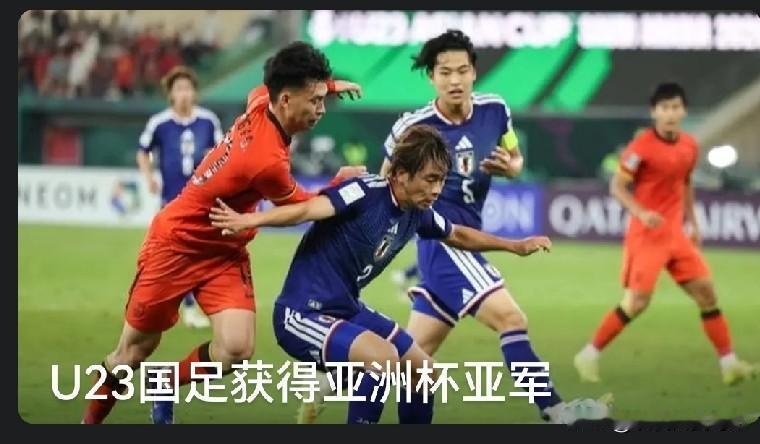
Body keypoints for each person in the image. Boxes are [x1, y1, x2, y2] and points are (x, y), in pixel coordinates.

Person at [210, 124, 610, 425]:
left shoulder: (417, 212)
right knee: (382, 361)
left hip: (345, 309)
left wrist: (514, 246)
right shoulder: (364, 193)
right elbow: (307, 210)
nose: (436, 189)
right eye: (431, 179)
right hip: (302, 313)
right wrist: (249, 220)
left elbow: (459, 234)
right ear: (400, 174)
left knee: (424, 373)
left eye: (441, 181)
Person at [80, 41, 364, 424]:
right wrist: (337, 183)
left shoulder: (260, 101)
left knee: (236, 348)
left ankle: (165, 383)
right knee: (131, 354)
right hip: (175, 246)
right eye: (314, 101)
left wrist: (327, 85)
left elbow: (264, 88)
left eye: (321, 99)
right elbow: (302, 208)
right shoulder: (265, 161)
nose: (321, 108)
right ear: (285, 99)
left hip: (224, 250)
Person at [573, 82, 758, 386]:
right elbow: (617, 187)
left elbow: (685, 183)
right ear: (654, 112)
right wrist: (641, 212)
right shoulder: (641, 148)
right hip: (647, 235)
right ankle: (588, 354)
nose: (670, 114)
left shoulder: (689, 146)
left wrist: (693, 222)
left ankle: (729, 364)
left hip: (676, 235)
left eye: (675, 107)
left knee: (707, 294)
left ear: (683, 111)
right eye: (664, 108)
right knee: (636, 303)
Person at [136, 65, 223, 328]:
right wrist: (149, 177)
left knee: (201, 254)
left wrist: (214, 169)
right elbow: (142, 151)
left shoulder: (208, 120)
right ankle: (177, 306)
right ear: (171, 94)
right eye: (179, 89)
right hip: (171, 201)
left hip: (202, 200)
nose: (184, 94)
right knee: (174, 255)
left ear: (194, 93)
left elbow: (222, 153)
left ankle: (193, 305)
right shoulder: (159, 122)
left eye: (188, 88)